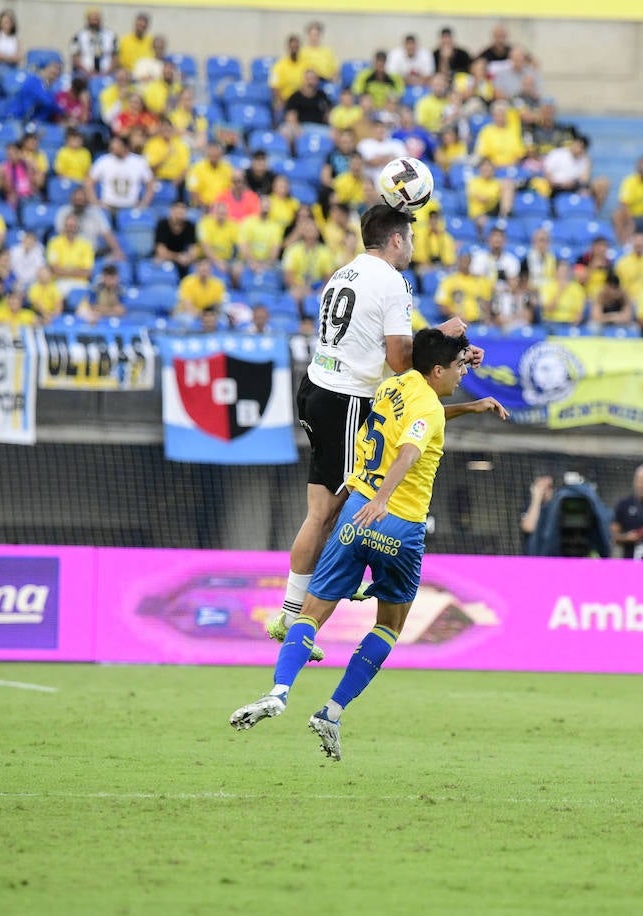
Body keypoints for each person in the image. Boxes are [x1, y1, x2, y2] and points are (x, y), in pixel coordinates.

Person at [230, 328, 507, 759]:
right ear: (437, 370)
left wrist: (468, 408)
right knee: (389, 626)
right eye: (458, 368)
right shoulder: (428, 412)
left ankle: (279, 691)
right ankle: (332, 712)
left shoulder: (392, 387)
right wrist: (383, 499)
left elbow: (422, 419)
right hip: (398, 525)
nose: (462, 375)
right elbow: (410, 450)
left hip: (354, 517)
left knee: (311, 614)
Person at [263, 204, 478, 662]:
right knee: (333, 510)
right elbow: (401, 361)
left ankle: (293, 610)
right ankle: (298, 616)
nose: (415, 249)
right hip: (346, 399)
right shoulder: (393, 282)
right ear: (396, 240)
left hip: (317, 387)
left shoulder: (342, 274)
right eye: (412, 240)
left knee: (323, 509)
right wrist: (440, 332)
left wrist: (448, 352)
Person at [70, 7, 117, 78]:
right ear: (87, 19)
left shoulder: (111, 35)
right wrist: (87, 72)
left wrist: (106, 72)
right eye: (92, 18)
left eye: (97, 18)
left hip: (107, 74)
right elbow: (75, 59)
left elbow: (115, 57)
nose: (95, 21)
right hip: (84, 75)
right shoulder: (78, 36)